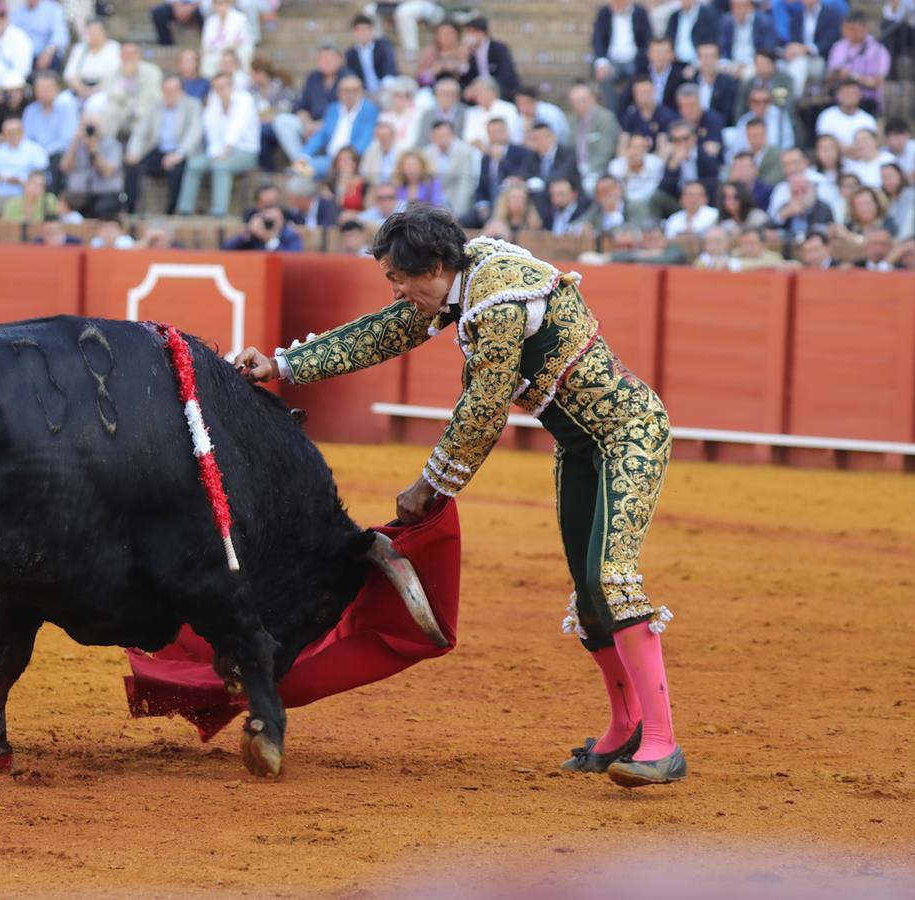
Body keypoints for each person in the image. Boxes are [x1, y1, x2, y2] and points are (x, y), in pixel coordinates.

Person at [235, 207, 685, 786]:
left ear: (436, 266)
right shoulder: (461, 279)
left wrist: (433, 482)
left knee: (611, 577)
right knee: (590, 590)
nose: (396, 291)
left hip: (628, 437)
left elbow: (484, 408)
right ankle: (625, 727)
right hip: (580, 448)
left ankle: (663, 743)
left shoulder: (496, 299)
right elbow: (385, 331)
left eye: (400, 278)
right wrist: (281, 364)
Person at [176, 71, 259, 217]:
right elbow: (211, 131)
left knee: (221, 166)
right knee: (194, 164)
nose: (220, 90)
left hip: (245, 151)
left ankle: (219, 212)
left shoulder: (244, 99)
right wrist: (216, 153)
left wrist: (224, 152)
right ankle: (184, 210)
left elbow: (237, 127)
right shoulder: (214, 101)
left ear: (231, 86)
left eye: (223, 86)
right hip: (218, 151)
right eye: (216, 87)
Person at [125, 75, 202, 215]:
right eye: (166, 90)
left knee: (177, 171)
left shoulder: (193, 105)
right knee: (133, 166)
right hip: (158, 150)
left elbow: (194, 134)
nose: (169, 94)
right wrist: (134, 151)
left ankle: (172, 211)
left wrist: (178, 155)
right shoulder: (156, 106)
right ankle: (130, 208)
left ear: (181, 91)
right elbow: (140, 132)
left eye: (173, 90)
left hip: (181, 152)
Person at [295, 75, 378, 180]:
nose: (350, 94)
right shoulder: (333, 108)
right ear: (339, 93)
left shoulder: (368, 109)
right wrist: (305, 154)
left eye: (355, 90)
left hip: (351, 159)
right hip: (329, 158)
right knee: (301, 166)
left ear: (361, 92)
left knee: (306, 170)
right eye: (346, 90)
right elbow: (321, 135)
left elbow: (365, 138)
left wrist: (345, 158)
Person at [0, 116, 48, 217]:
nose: (13, 135)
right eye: (9, 133)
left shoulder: (35, 150)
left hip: (24, 197)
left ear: (22, 132)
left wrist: (20, 180)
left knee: (13, 210)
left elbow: (41, 176)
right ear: (4, 134)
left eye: (16, 132)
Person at [458, 17, 518, 100]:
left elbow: (506, 73)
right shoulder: (469, 52)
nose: (468, 36)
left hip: (501, 90)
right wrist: (464, 60)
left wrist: (488, 89)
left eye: (471, 32)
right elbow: (466, 78)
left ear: (481, 33)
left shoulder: (498, 48)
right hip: (478, 93)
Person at [223, 203, 302, 250]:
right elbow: (226, 250)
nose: (270, 223)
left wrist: (270, 240)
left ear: (281, 220)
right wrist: (247, 233)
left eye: (274, 219)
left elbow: (292, 258)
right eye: (267, 219)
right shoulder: (254, 236)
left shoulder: (290, 235)